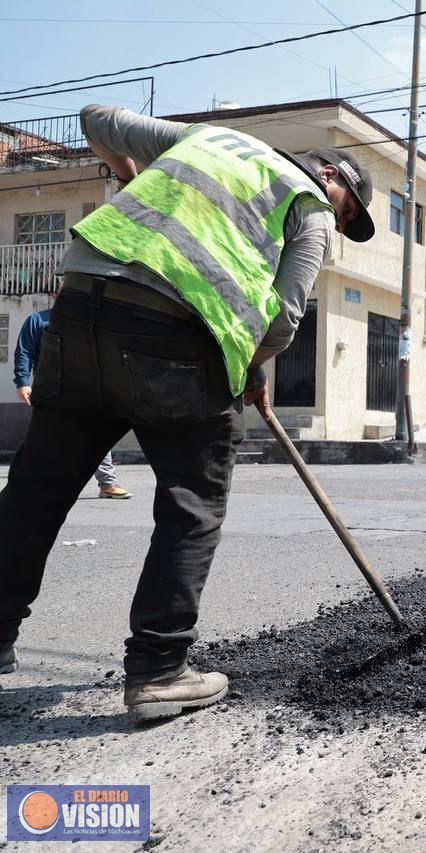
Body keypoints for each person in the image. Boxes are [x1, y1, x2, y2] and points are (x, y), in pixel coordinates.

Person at [0, 105, 375, 715]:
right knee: (192, 504)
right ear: (329, 175)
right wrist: (250, 366)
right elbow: (283, 316)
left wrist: (130, 176)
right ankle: (159, 668)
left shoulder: (209, 141)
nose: (338, 220)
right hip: (174, 337)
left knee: (35, 491)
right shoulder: (307, 206)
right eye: (346, 209)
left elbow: (95, 119)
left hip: (80, 311)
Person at [13, 306, 132, 500]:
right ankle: (36, 484)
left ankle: (108, 483)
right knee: (47, 436)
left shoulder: (85, 322)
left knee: (97, 432)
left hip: (86, 386)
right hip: (50, 388)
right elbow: (24, 352)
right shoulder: (38, 320)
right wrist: (22, 382)